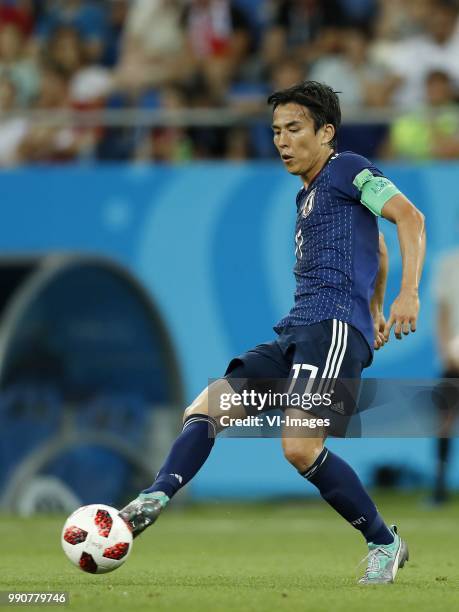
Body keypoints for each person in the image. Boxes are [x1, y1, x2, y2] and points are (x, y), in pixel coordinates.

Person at [120, 81, 426, 584]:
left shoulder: (348, 168)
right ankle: (155, 496)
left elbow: (408, 218)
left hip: (330, 331)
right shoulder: (306, 196)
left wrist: (406, 295)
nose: (282, 141)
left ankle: (383, 542)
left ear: (326, 132)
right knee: (205, 407)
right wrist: (374, 305)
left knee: (300, 447)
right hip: (295, 331)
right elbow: (380, 250)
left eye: (295, 129)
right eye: (276, 131)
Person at [432, 247, 459, 503]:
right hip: (454, 360)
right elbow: (442, 313)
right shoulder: (448, 264)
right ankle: (439, 487)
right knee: (445, 422)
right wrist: (446, 351)